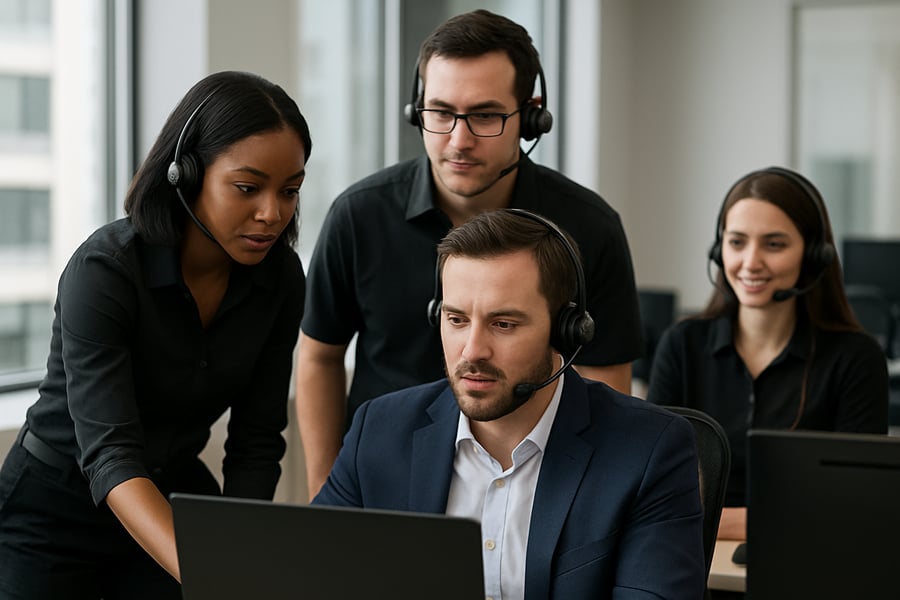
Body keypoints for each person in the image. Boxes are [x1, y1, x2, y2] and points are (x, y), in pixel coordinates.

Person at [297, 8, 642, 499]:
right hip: (387, 489)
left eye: (484, 115)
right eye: (440, 113)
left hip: (536, 489)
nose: (458, 141)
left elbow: (605, 388)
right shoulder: (359, 215)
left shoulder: (590, 228)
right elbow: (320, 358)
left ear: (530, 115)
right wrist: (325, 490)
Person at [0, 70, 312, 599]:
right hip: (54, 510)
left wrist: (241, 549)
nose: (272, 214)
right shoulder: (106, 270)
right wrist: (211, 572)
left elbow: (256, 443)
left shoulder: (280, 279)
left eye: (290, 191)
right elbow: (110, 454)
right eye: (247, 187)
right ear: (184, 173)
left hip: (173, 497)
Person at [313, 209, 705, 599]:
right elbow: (311, 577)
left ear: (565, 331)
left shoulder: (649, 450)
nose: (473, 350)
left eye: (504, 324)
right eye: (456, 319)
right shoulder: (380, 431)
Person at [647, 166, 889, 542]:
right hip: (694, 563)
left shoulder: (855, 359)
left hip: (808, 560)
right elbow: (653, 486)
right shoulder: (682, 344)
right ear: (719, 248)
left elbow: (852, 501)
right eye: (737, 242)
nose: (751, 262)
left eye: (774, 244)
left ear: (813, 256)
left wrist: (712, 520)